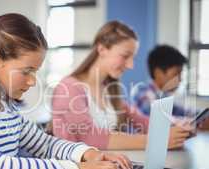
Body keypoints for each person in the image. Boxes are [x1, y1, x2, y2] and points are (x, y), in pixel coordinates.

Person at [0, 13, 133, 169]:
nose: (32, 81)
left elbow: (45, 145)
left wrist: (88, 154)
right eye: (26, 71)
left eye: (35, 72)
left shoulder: (8, 110)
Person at [51, 21, 193, 150]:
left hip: (106, 167)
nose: (131, 65)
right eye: (125, 56)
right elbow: (89, 137)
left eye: (133, 58)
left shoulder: (109, 89)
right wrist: (156, 141)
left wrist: (178, 125)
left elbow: (141, 120)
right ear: (102, 49)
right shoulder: (69, 87)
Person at [132, 44, 209, 129]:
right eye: (176, 74)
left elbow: (184, 112)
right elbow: (160, 121)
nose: (180, 79)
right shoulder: (143, 94)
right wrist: (195, 123)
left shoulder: (163, 97)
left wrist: (203, 117)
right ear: (158, 73)